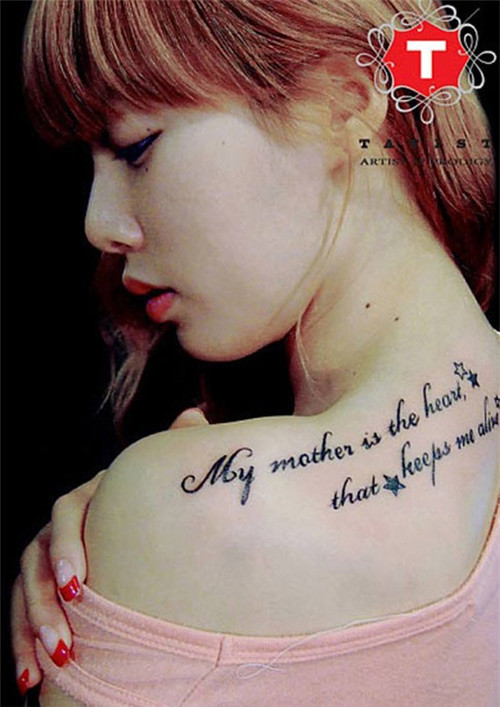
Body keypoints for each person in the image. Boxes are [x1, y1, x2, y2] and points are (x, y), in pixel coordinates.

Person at [11, 0, 499, 704]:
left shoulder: (185, 516)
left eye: (136, 146)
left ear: (341, 100)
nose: (99, 225)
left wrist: (141, 526)